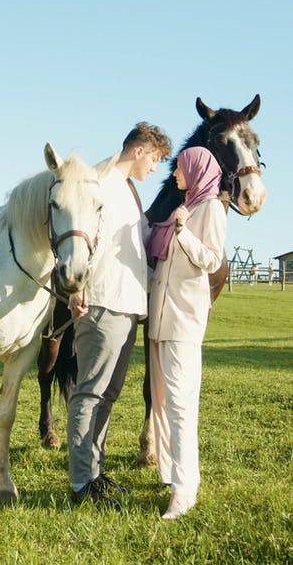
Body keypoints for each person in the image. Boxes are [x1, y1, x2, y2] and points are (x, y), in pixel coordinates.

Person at [67, 121, 172, 509]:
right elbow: (79, 236)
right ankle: (80, 485)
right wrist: (76, 287)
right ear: (139, 150)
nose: (155, 168)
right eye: (156, 159)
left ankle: (94, 472)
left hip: (128, 305)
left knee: (108, 394)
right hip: (102, 301)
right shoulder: (99, 181)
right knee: (90, 392)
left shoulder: (128, 190)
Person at [147, 146, 227, 520]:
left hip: (183, 320)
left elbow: (212, 259)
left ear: (195, 170)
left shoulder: (209, 208)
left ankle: (185, 489)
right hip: (159, 320)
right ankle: (169, 473)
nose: (176, 174)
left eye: (179, 169)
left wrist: (182, 232)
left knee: (180, 404)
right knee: (161, 403)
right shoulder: (187, 205)